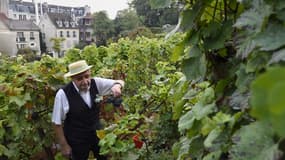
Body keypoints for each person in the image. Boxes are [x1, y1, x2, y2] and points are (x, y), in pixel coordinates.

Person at [51, 60, 124, 160]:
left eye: (87, 76)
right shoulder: (63, 94)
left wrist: (117, 86)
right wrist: (64, 146)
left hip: (97, 135)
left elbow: (119, 82)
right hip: (76, 139)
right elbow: (56, 123)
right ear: (72, 79)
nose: (85, 81)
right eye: (79, 79)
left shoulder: (96, 83)